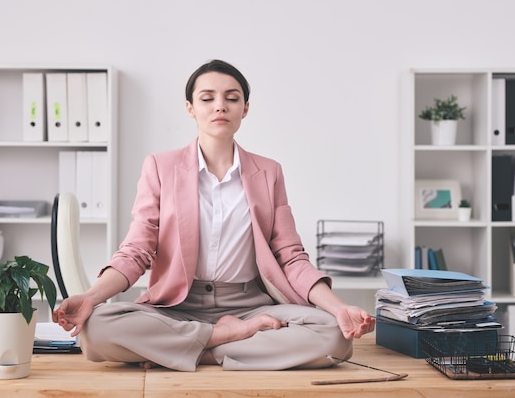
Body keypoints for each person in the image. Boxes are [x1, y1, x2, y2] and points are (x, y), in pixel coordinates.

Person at [52, 59, 375, 371]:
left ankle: (195, 351)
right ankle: (224, 338)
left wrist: (339, 307)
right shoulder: (160, 166)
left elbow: (291, 257)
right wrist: (91, 297)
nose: (220, 106)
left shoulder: (269, 172)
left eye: (231, 98)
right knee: (96, 329)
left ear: (245, 108)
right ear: (190, 107)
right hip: (178, 306)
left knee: (333, 336)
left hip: (251, 305)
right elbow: (136, 251)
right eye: (207, 98)